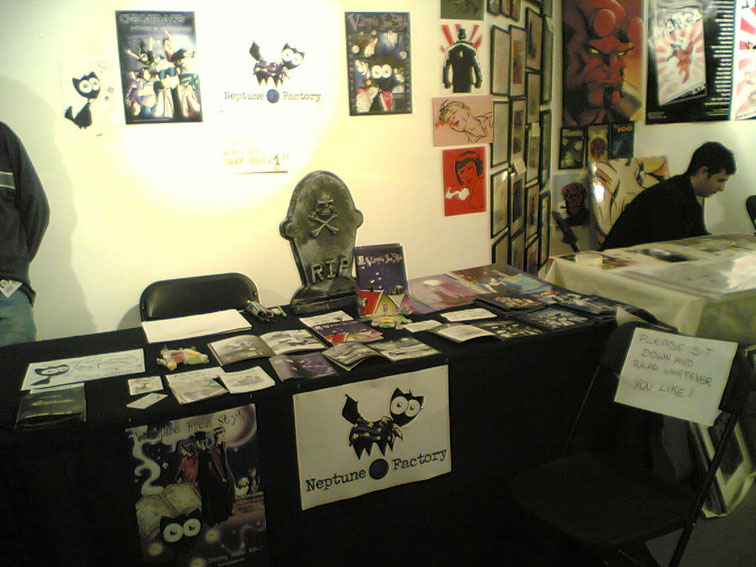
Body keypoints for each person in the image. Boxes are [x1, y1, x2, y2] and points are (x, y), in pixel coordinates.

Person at [599, 142, 736, 250]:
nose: (721, 188)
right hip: (621, 263)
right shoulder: (669, 196)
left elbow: (698, 237)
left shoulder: (689, 192)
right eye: (720, 180)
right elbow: (668, 248)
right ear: (703, 172)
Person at [0, 122, 49, 347]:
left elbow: (36, 208)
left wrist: (15, 259)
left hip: (5, 292)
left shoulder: (2, 137)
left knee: (17, 366)